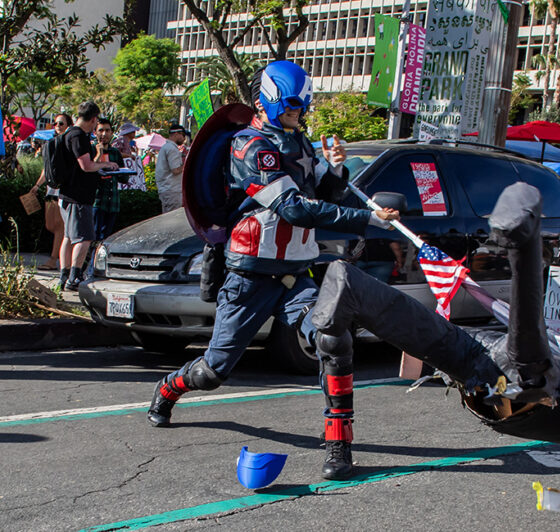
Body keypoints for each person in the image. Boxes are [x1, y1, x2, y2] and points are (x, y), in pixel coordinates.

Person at [310, 182, 560, 501]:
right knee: (345, 282)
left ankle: (525, 241)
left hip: (521, 380)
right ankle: (337, 438)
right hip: (488, 365)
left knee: (528, 372)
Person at [145, 61, 400, 482]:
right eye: (291, 109)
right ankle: (170, 388)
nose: (297, 116)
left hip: (296, 275)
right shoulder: (250, 146)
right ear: (270, 100)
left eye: (301, 109)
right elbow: (294, 207)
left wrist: (336, 169)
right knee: (213, 371)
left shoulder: (299, 142)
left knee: (331, 341)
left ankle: (338, 446)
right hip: (250, 277)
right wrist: (367, 220)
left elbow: (319, 193)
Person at [58, 103, 121, 290]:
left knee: (69, 237)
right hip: (79, 197)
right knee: (84, 238)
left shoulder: (69, 134)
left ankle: (64, 276)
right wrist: (105, 165)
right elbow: (86, 166)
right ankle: (74, 277)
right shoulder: (78, 136)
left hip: (69, 194)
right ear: (93, 119)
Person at [28, 113, 72, 271]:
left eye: (61, 123)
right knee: (50, 225)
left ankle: (54, 259)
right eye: (55, 124)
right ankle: (63, 257)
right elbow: (46, 169)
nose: (57, 126)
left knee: (60, 226)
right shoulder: (52, 144)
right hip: (50, 189)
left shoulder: (68, 144)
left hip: (62, 190)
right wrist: (37, 185)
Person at [92, 118, 130, 243]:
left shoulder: (115, 153)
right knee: (93, 236)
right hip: (96, 200)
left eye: (107, 130)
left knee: (107, 238)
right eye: (101, 130)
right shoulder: (91, 150)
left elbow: (124, 178)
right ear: (95, 132)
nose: (104, 134)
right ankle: (91, 262)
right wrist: (99, 154)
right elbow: (88, 170)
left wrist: (119, 170)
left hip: (112, 201)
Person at [155, 124, 188, 212]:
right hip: (172, 190)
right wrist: (186, 165)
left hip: (166, 189)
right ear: (176, 134)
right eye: (183, 135)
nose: (184, 139)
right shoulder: (172, 149)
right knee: (172, 219)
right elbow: (176, 170)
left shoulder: (165, 147)